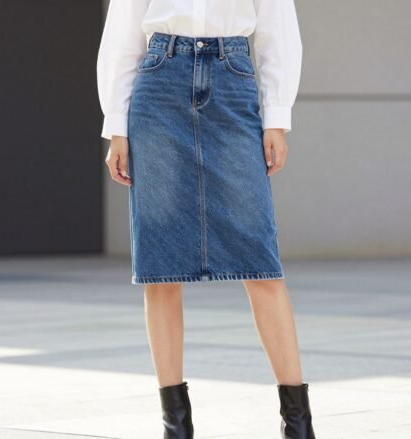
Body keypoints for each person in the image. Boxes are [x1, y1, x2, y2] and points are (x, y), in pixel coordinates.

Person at [96, 1, 315, 437]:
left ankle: (298, 424)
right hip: (158, 83)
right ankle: (175, 425)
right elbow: (123, 31)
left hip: (232, 78)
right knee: (160, 265)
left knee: (260, 258)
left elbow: (277, 28)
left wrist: (277, 117)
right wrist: (116, 124)